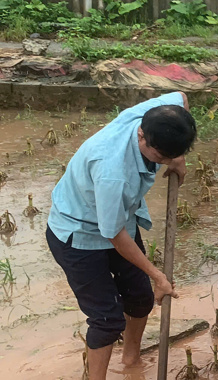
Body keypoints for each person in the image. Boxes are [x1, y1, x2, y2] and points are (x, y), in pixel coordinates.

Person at [46, 92, 196, 380]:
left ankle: (131, 360)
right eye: (160, 157)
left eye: (170, 155)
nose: (164, 161)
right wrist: (158, 276)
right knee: (106, 319)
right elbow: (114, 235)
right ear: (142, 135)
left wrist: (177, 158)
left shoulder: (157, 115)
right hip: (77, 236)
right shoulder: (112, 172)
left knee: (140, 299)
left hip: (117, 222)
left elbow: (182, 97)